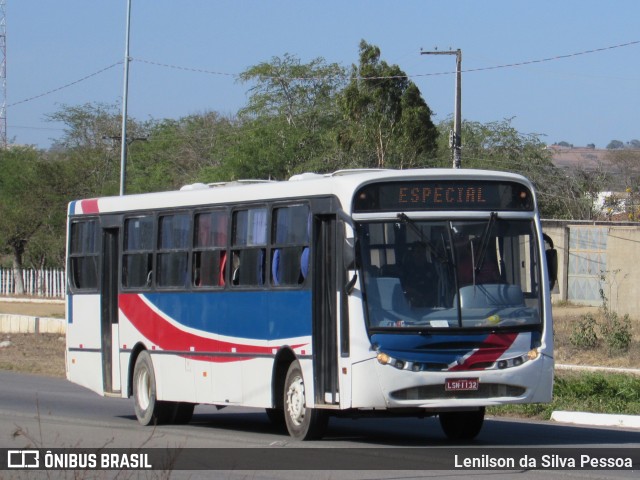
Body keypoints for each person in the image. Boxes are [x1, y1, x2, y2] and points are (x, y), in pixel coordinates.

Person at [400, 242, 438, 307]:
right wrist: (415, 294)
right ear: (413, 254)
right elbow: (402, 287)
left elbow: (438, 286)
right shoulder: (406, 270)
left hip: (432, 305)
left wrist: (428, 297)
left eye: (423, 252)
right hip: (411, 306)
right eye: (418, 252)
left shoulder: (431, 268)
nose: (421, 255)